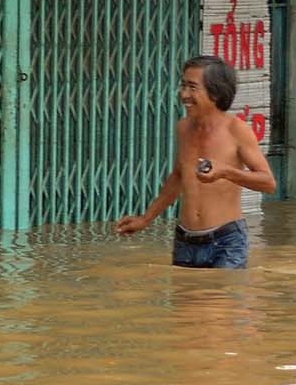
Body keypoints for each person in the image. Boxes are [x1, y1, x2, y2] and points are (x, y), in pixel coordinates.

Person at [115, 55, 276, 268]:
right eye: (183, 86)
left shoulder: (237, 130)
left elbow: (268, 183)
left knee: (223, 291)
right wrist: (145, 219)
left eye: (192, 88)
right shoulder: (184, 127)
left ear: (215, 92)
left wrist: (226, 172)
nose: (184, 95)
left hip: (226, 241)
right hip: (186, 240)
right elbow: (179, 176)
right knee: (187, 290)